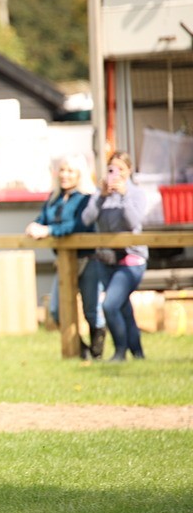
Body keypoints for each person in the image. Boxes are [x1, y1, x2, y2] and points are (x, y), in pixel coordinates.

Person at [25, 154, 105, 359]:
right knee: (56, 310)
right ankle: (82, 350)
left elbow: (77, 226)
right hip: (63, 261)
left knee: (91, 309)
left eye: (70, 171)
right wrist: (34, 226)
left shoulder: (87, 198)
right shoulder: (54, 198)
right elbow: (42, 220)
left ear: (79, 174)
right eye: (62, 170)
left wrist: (49, 230)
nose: (65, 175)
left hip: (87, 258)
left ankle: (97, 353)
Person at [81, 151, 147, 362]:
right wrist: (101, 196)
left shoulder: (136, 193)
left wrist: (124, 195)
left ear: (129, 170)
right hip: (106, 259)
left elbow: (133, 222)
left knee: (110, 305)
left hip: (131, 259)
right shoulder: (100, 194)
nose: (116, 173)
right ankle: (138, 354)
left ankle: (120, 351)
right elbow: (86, 220)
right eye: (112, 169)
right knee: (123, 308)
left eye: (121, 169)